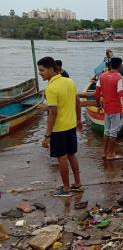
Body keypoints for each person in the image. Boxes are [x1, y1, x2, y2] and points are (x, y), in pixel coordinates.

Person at [37, 57, 83, 197]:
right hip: (71, 126)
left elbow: (53, 113)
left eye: (42, 70)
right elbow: (77, 102)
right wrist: (79, 119)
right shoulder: (69, 81)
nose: (40, 73)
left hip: (59, 129)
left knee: (62, 158)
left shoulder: (51, 88)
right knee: (71, 155)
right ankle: (78, 184)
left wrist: (47, 135)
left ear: (51, 69)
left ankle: (66, 188)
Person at [95, 57, 123, 160]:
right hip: (115, 109)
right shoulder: (119, 78)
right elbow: (122, 96)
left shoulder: (102, 76)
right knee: (113, 132)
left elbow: (96, 93)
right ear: (119, 66)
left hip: (107, 108)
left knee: (106, 131)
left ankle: (105, 153)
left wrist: (98, 104)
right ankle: (111, 154)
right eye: (122, 64)